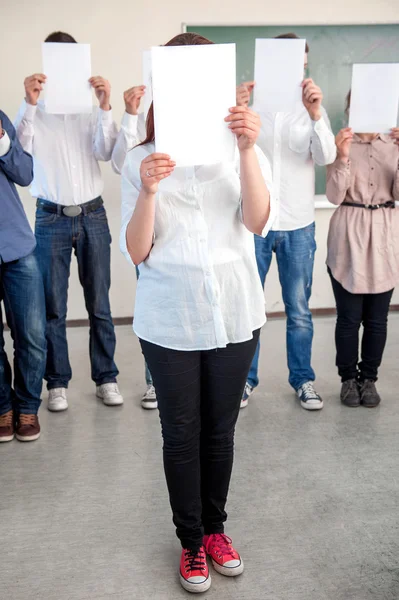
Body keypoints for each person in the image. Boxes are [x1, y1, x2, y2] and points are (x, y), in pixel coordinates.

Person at [120, 32, 275, 595]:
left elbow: (259, 221)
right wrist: (147, 191)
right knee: (180, 434)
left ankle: (215, 530)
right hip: (169, 318)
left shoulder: (241, 144)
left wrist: (248, 150)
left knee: (221, 431)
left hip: (235, 312)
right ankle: (190, 542)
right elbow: (137, 251)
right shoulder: (139, 158)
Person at [14, 31, 123, 412]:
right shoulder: (33, 109)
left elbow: (106, 153)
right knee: (52, 307)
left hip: (93, 214)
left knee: (100, 304)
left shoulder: (90, 107)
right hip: (50, 218)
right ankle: (57, 383)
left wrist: (106, 106)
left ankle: (106, 378)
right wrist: (29, 104)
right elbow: (18, 155)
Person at [238, 32, 337, 410]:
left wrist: (315, 115)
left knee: (299, 309)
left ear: (304, 64)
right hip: (255, 223)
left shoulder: (312, 109)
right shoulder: (252, 108)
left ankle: (303, 380)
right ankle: (245, 381)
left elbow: (326, 156)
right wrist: (235, 108)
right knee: (250, 306)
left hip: (298, 223)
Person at [326, 92, 399, 408]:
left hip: (385, 232)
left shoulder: (394, 144)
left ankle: (369, 379)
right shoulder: (341, 142)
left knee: (378, 319)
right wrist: (342, 156)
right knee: (348, 318)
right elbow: (332, 195)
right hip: (348, 233)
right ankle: (347, 380)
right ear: (350, 109)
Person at [0, 110, 46, 442]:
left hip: (16, 246)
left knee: (31, 337)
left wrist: (2, 140)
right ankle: (3, 406)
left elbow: (25, 174)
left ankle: (27, 405)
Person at [112, 86, 156, 409]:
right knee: (151, 295)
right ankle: (154, 382)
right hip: (147, 214)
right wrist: (130, 114)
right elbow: (122, 163)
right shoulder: (145, 113)